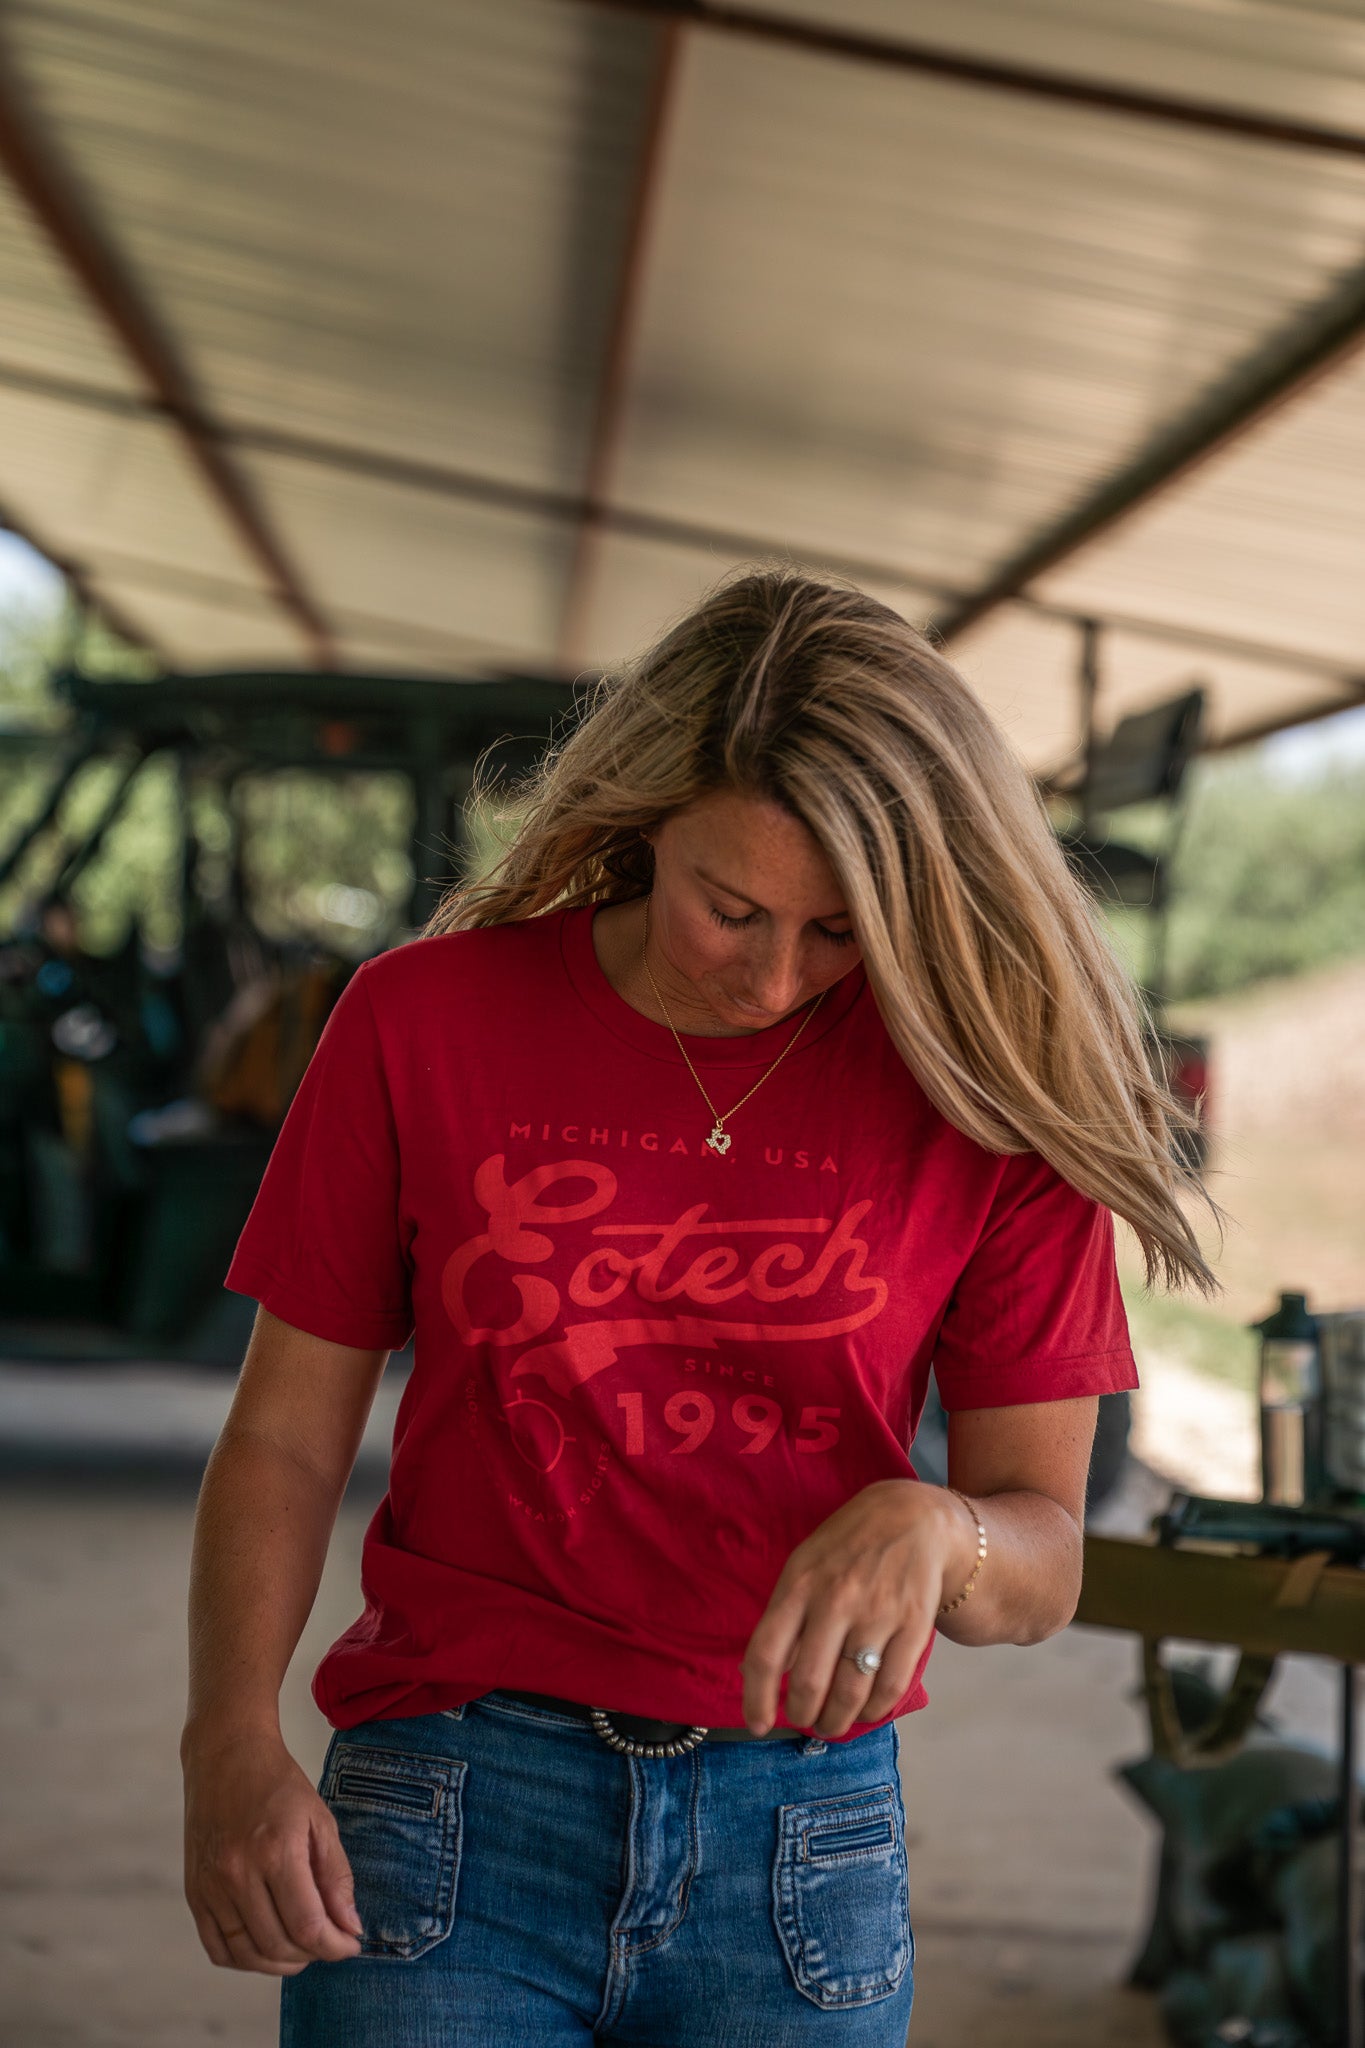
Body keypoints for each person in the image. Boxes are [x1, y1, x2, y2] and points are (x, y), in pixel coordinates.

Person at [181, 569, 1222, 2046]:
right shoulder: (421, 1020)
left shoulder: (989, 1097)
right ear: (644, 816)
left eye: (841, 933)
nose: (772, 976)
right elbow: (285, 1435)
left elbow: (1041, 1564)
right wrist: (226, 1739)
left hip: (800, 1841)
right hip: (452, 1801)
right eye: (728, 908)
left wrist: (944, 1529)